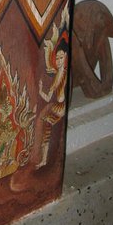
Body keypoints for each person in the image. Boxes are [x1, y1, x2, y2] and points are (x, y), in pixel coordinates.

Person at [37, 38, 68, 168]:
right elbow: (48, 97)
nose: (59, 61)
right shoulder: (56, 76)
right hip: (57, 107)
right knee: (45, 129)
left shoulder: (64, 73)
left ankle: (46, 159)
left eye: (61, 58)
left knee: (46, 124)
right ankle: (44, 159)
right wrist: (40, 90)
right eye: (57, 58)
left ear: (65, 56)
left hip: (61, 107)